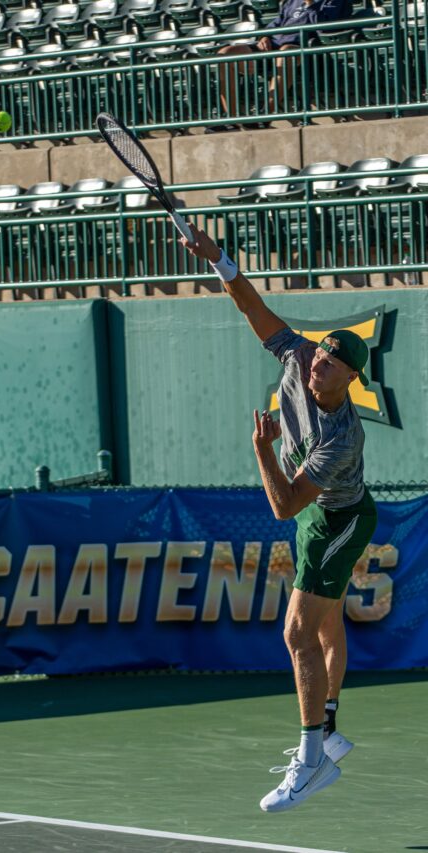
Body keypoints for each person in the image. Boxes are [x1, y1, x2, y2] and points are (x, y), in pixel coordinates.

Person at [181, 224, 377, 812]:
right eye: (323, 351)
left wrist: (263, 449)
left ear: (350, 379)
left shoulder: (339, 437)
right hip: (321, 515)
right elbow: (252, 306)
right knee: (325, 627)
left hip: (337, 519)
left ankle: (312, 760)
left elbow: (284, 505)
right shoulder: (295, 354)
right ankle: (331, 728)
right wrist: (218, 257)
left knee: (296, 632)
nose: (322, 360)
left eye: (335, 361)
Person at [215, 0, 349, 125]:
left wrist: (311, 4)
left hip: (304, 50)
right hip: (273, 46)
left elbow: (326, 29)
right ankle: (231, 117)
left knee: (285, 52)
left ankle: (265, 115)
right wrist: (265, 36)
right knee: (225, 53)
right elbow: (276, 23)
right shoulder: (292, 2)